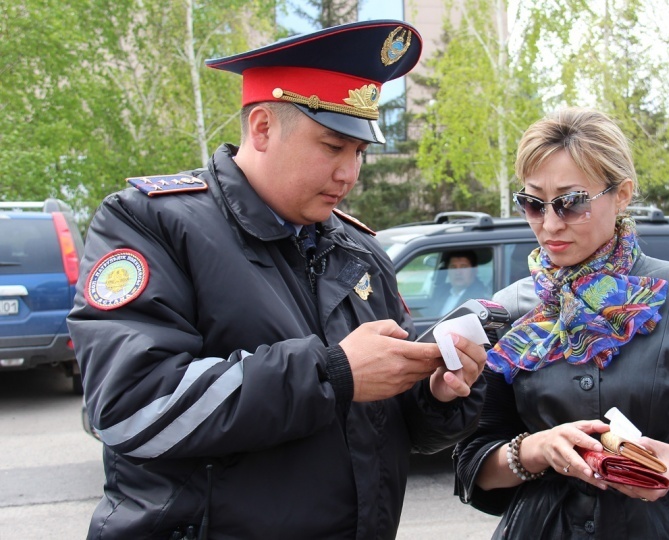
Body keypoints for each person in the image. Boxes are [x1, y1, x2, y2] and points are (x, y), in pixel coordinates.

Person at [67, 20, 487, 539]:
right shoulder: (152, 224)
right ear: (262, 127)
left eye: (359, 152)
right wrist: (333, 374)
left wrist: (436, 393)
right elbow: (130, 406)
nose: (349, 174)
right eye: (333, 147)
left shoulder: (360, 250)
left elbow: (389, 425)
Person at [453, 107, 669, 539]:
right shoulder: (509, 312)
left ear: (622, 194)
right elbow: (474, 459)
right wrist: (535, 449)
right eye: (533, 203)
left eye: (571, 202)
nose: (549, 224)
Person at [436, 250, 491, 314]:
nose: (458, 272)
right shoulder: (440, 292)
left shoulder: (480, 298)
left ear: (474, 270)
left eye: (464, 267)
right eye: (453, 267)